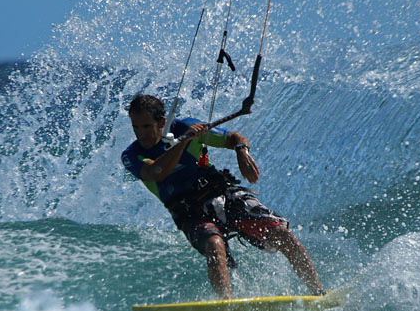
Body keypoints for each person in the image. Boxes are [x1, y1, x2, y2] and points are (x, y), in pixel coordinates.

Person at [122, 94, 324, 299]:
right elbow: (156, 172)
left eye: (147, 126)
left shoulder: (184, 127)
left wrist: (241, 152)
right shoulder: (131, 155)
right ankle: (227, 305)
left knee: (281, 232)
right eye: (136, 128)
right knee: (214, 244)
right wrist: (184, 142)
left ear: (162, 122)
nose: (141, 134)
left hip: (221, 192)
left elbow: (234, 137)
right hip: (187, 209)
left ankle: (318, 293)